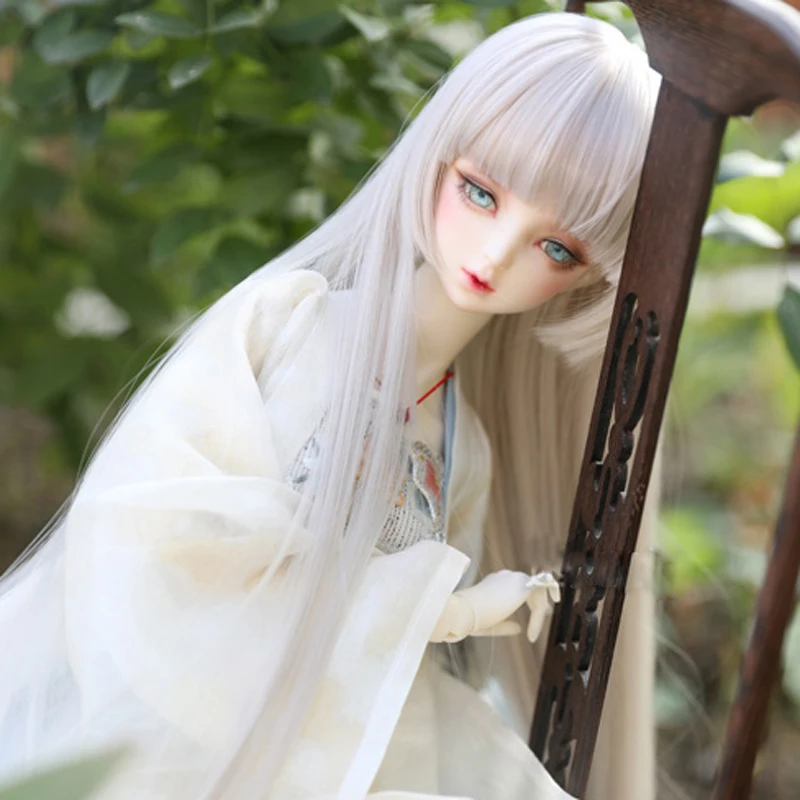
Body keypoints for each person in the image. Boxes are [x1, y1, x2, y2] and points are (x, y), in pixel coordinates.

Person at [0, 11, 661, 800]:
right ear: (436, 159)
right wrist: (447, 611)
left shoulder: (466, 446)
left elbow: (386, 672)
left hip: (332, 745)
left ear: (588, 276)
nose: (493, 255)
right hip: (184, 725)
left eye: (556, 248)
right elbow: (161, 535)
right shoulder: (292, 326)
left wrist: (442, 617)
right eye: (480, 192)